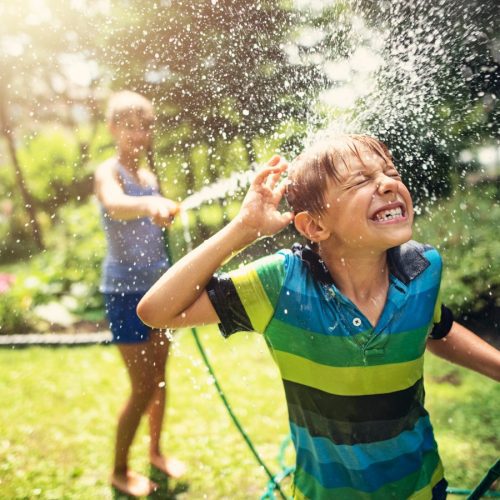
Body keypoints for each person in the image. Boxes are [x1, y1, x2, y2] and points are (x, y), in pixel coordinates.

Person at [137, 134, 500, 499]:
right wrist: (242, 230)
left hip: (421, 487)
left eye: (391, 172)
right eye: (361, 181)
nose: (389, 184)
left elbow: (437, 330)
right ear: (314, 226)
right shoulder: (281, 284)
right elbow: (157, 311)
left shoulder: (422, 268)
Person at [94, 90, 186, 496]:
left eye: (145, 126)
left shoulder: (151, 179)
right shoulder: (108, 172)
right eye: (129, 125)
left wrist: (163, 212)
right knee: (142, 385)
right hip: (124, 293)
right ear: (113, 128)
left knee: (160, 379)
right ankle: (118, 469)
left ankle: (155, 452)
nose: (138, 133)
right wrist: (151, 207)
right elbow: (115, 206)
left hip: (158, 289)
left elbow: (153, 227)